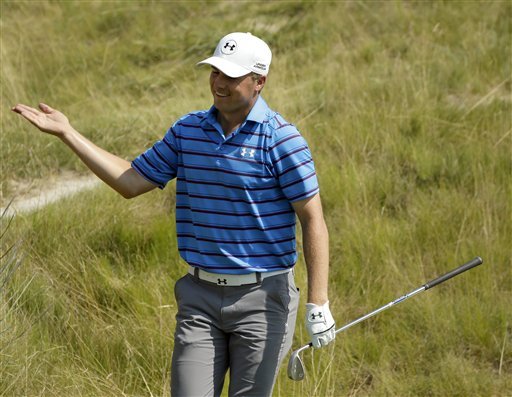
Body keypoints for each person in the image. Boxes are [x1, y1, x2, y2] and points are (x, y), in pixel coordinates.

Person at [12, 32, 335, 397]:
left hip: (264, 300)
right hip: (199, 297)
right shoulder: (188, 131)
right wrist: (68, 134)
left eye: (231, 76)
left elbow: (313, 219)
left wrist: (317, 301)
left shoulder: (282, 140)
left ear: (259, 81)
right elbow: (131, 181)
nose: (219, 83)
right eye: (215, 72)